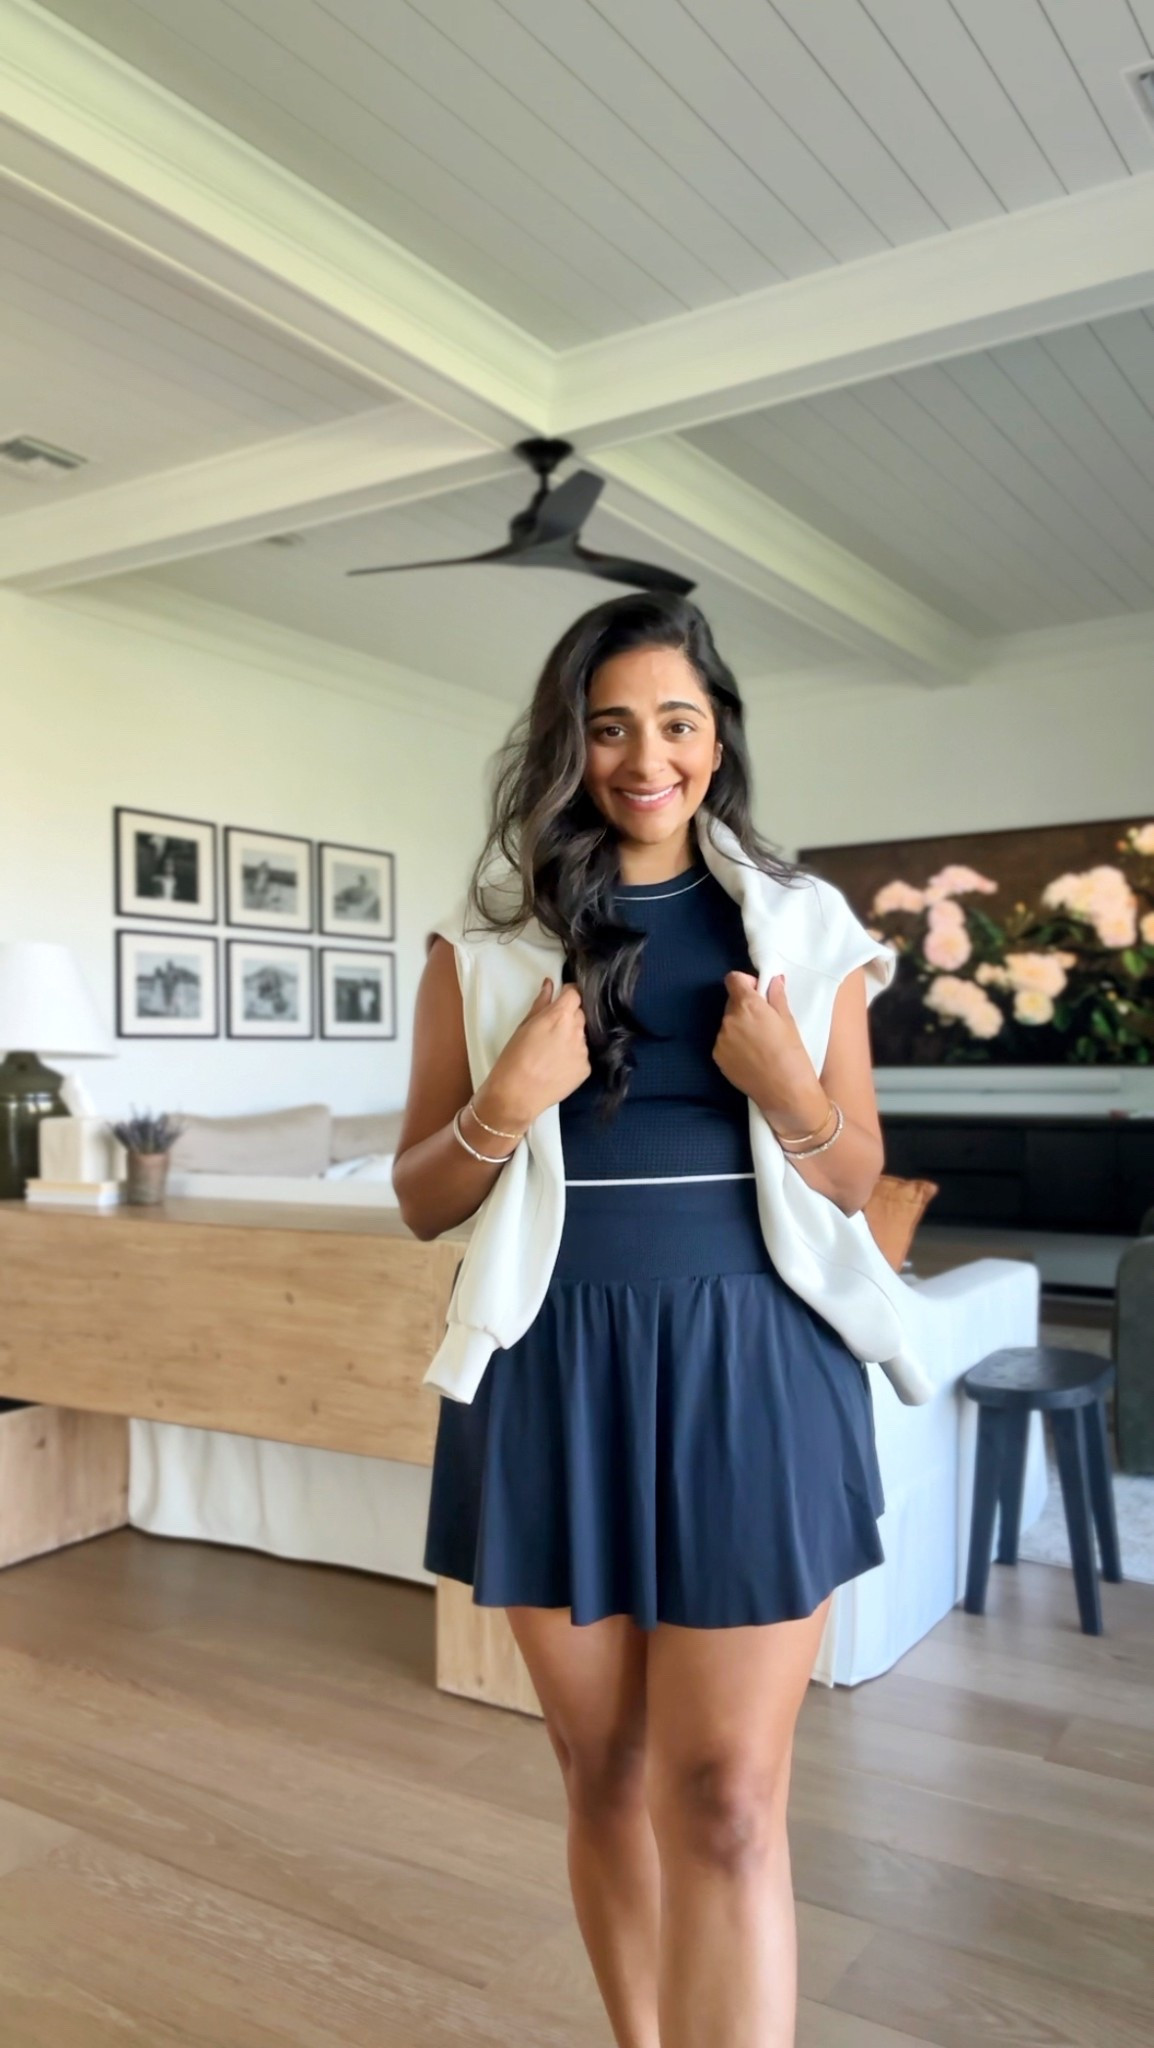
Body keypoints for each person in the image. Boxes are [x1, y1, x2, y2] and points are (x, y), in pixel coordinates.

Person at [393, 591, 907, 2048]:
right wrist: (503, 1104)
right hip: (549, 1366)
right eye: (608, 725)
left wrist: (788, 1086)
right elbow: (425, 1197)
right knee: (601, 1771)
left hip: (754, 1363)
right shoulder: (486, 941)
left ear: (716, 737)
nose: (644, 756)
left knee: (729, 1802)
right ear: (567, 744)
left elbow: (858, 1174)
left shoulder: (803, 926)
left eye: (675, 722)